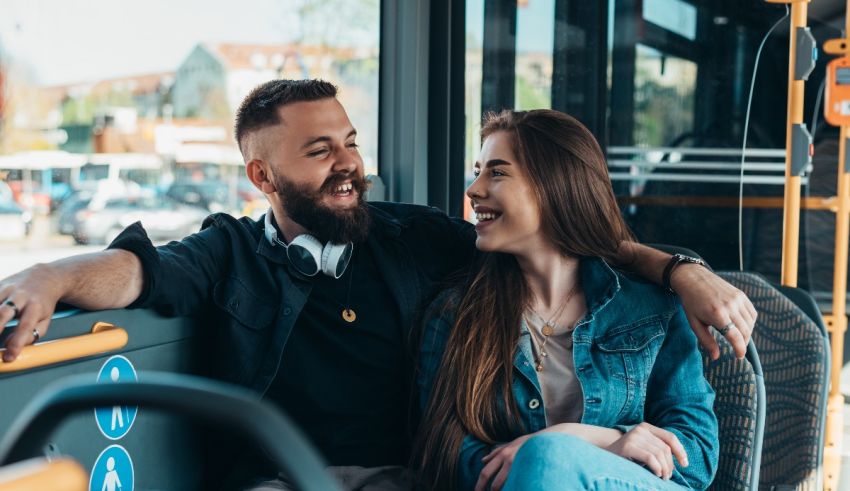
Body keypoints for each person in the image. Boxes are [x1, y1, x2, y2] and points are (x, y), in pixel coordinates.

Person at [0, 80, 749, 490]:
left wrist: (681, 271)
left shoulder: (419, 240)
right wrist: (51, 274)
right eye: (320, 150)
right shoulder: (230, 253)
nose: (348, 164)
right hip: (285, 479)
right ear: (263, 175)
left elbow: (566, 236)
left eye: (351, 142)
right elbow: (140, 270)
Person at [415, 109, 718, 491]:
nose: (474, 189)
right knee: (545, 458)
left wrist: (582, 441)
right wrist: (558, 451)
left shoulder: (652, 308)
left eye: (497, 172)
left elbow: (697, 459)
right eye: (478, 172)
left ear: (554, 185)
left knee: (547, 455)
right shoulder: (457, 314)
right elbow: (445, 456)